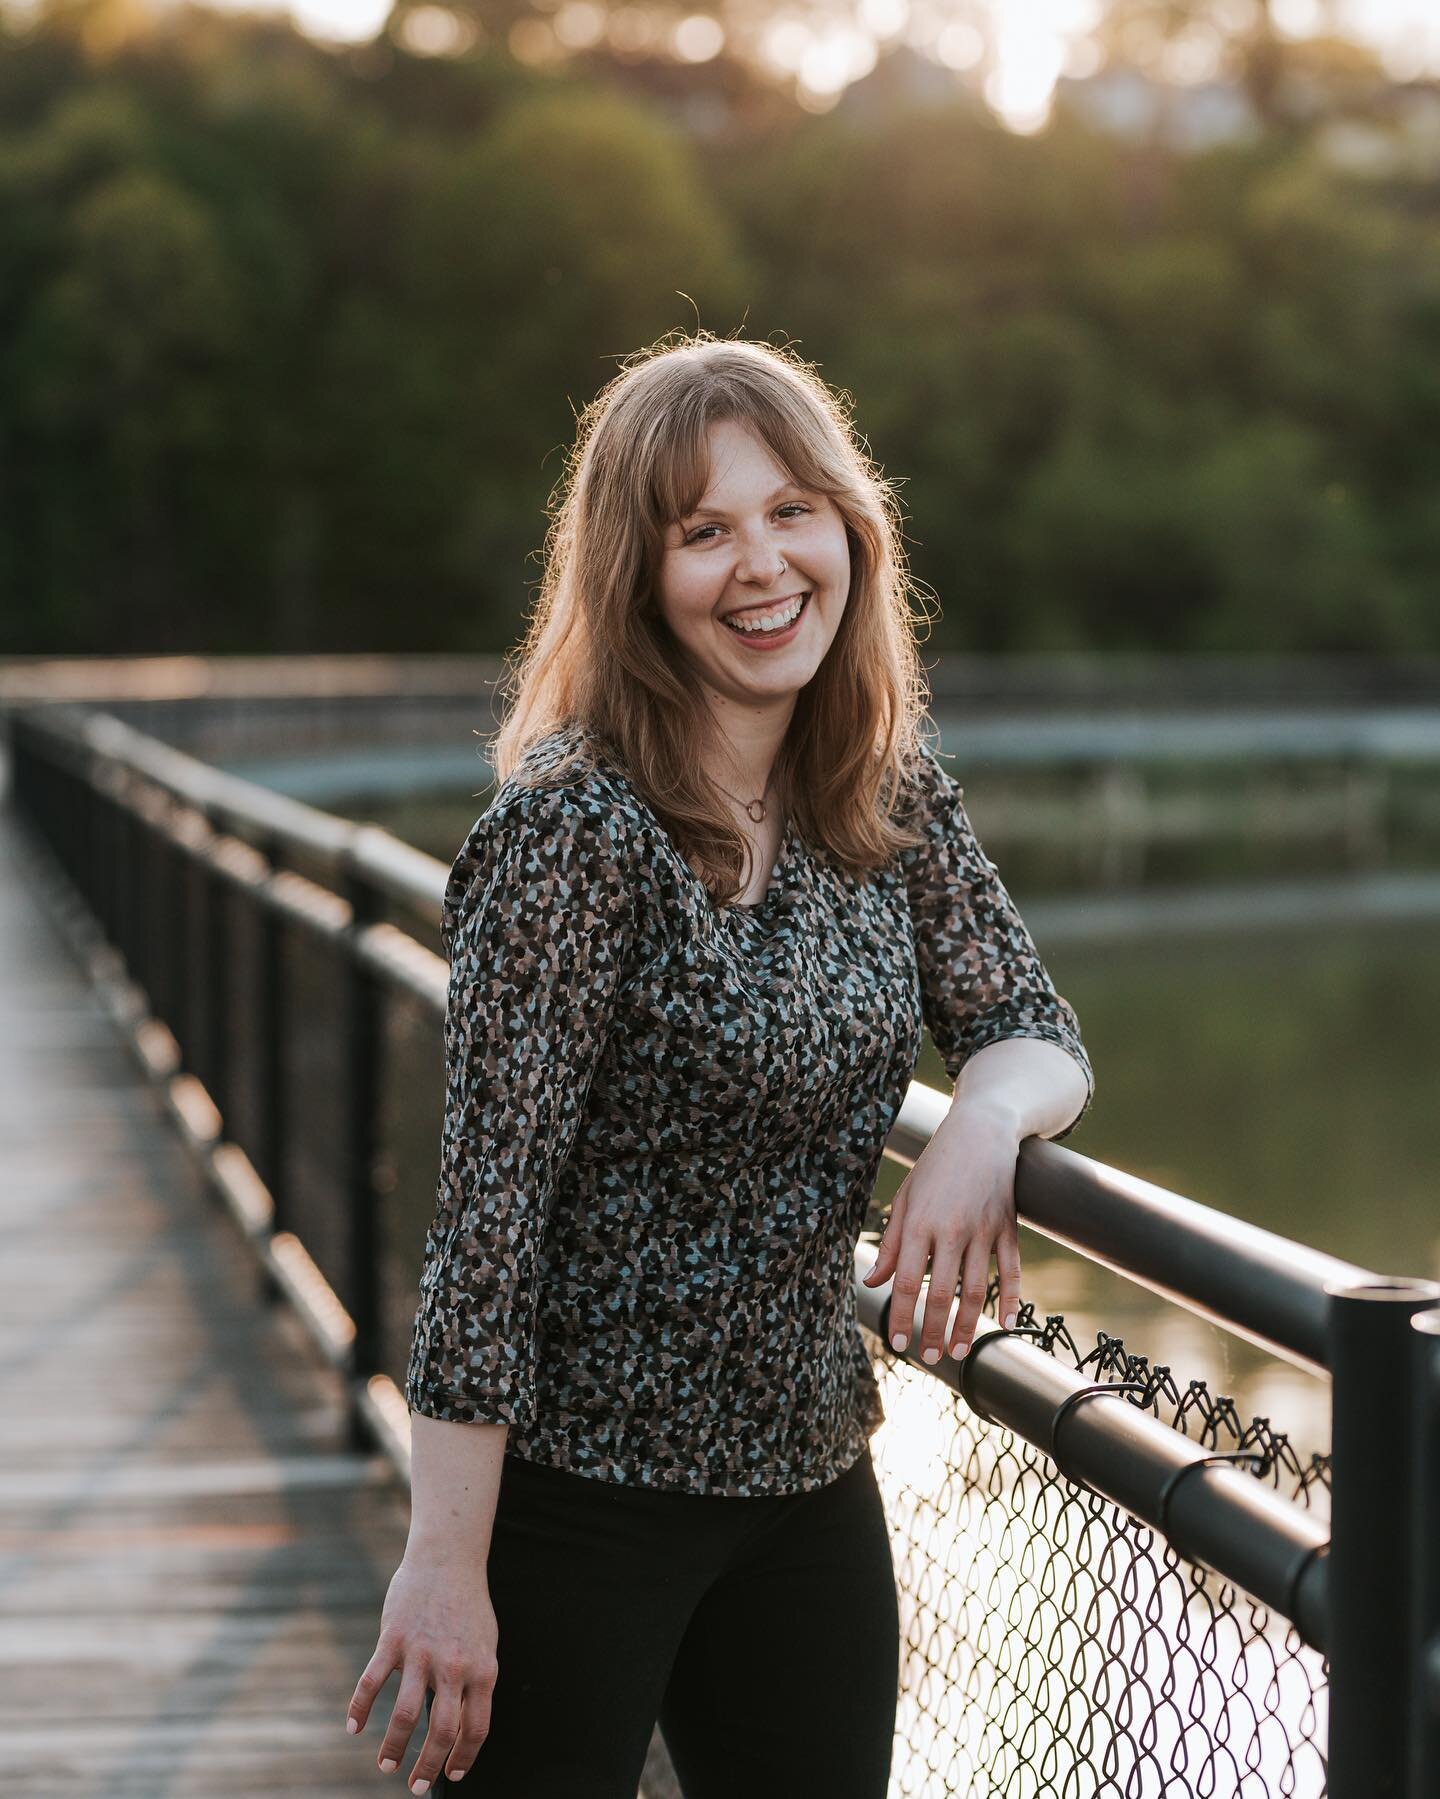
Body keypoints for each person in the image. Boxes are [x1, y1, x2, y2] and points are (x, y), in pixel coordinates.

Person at [344, 331, 1095, 1797]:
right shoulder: (577, 833)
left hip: (810, 1487)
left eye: (790, 512)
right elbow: (486, 1232)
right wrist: (444, 1567)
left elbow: (1033, 1022)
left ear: (850, 533)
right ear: (640, 576)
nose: (762, 566)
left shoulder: (874, 788)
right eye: (705, 532)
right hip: (577, 1503)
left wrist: (981, 1121)